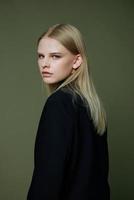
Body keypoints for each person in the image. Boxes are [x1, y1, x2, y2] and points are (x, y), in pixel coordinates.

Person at [27, 23, 110, 200]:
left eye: (55, 56)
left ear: (77, 60)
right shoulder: (92, 106)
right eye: (41, 56)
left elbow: (47, 182)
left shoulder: (58, 104)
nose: (45, 64)